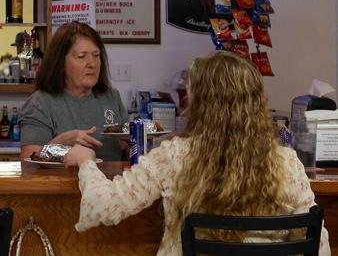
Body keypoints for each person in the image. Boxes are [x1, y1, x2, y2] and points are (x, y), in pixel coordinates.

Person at [64, 51, 330, 254]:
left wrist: (86, 162)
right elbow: (316, 243)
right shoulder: (285, 163)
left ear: (200, 103)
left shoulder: (174, 157)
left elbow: (104, 206)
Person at [19, 21, 127, 161]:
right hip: (63, 176)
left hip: (112, 176)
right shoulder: (41, 103)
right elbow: (28, 160)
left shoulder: (111, 97)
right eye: (81, 56)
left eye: (96, 55)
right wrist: (61, 144)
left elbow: (126, 149)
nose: (92, 64)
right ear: (60, 63)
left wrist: (137, 146)